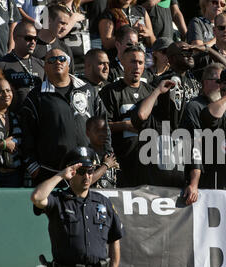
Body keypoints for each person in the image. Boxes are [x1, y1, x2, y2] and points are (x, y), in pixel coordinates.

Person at [30, 146, 124, 267]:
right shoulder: (58, 200)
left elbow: (115, 240)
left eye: (90, 171)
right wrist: (61, 175)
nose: (87, 176)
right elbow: (37, 197)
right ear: (71, 174)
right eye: (81, 172)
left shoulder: (103, 203)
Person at [20, 48, 112, 186]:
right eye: (51, 60)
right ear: (45, 67)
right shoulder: (35, 96)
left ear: (69, 64)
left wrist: (107, 154)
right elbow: (26, 135)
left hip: (88, 171)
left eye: (62, 59)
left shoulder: (88, 89)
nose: (57, 62)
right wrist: (34, 168)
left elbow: (103, 123)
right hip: (52, 174)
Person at [131, 41, 201, 188]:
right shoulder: (164, 81)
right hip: (164, 145)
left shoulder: (195, 80)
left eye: (191, 52)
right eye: (184, 52)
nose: (189, 55)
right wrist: (158, 91)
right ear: (172, 59)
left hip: (189, 147)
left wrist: (205, 49)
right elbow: (141, 116)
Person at [100, 44, 154, 187]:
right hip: (121, 163)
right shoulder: (110, 92)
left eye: (140, 62)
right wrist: (126, 125)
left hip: (149, 163)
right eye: (133, 61)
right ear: (122, 62)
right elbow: (100, 128)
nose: (137, 66)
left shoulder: (151, 92)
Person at [180, 62, 225, 203]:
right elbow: (194, 144)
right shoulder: (194, 106)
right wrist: (194, 182)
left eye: (224, 82)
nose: (222, 85)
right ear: (206, 82)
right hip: (204, 175)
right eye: (219, 81)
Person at [0, 21, 44, 114]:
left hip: (37, 118)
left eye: (35, 38)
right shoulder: (1, 66)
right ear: (15, 38)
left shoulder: (41, 64)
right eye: (28, 38)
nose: (33, 42)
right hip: (13, 120)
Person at [33, 4, 75, 74]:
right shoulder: (31, 45)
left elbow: (70, 76)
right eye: (62, 23)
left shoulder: (65, 49)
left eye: (66, 24)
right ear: (48, 20)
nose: (65, 28)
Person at [85, 115, 119, 189]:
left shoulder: (111, 156)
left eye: (104, 130)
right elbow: (86, 181)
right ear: (87, 133)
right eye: (97, 130)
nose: (102, 134)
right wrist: (106, 165)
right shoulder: (85, 155)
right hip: (92, 198)